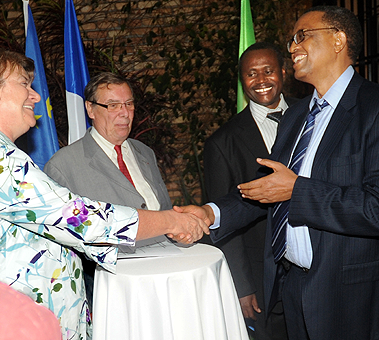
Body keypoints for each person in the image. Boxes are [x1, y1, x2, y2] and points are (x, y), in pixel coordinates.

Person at [0, 45, 209, 340]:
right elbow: (80, 219)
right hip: (19, 323)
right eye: (24, 84)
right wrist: (171, 221)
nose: (36, 95)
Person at [177, 6, 379, 340]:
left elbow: (374, 208)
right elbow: (268, 189)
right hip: (291, 288)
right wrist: (209, 213)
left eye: (303, 36)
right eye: (291, 39)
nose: (292, 47)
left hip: (352, 297)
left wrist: (297, 190)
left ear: (338, 39)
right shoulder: (297, 115)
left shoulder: (372, 108)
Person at [44, 72, 173, 307]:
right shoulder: (63, 165)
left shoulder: (145, 153)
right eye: (113, 105)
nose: (124, 113)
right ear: (90, 109)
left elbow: (163, 210)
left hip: (166, 280)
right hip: (113, 292)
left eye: (129, 104)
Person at [203, 42, 291, 340]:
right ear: (242, 81)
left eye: (268, 70)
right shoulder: (222, 143)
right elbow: (225, 219)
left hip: (319, 266)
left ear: (283, 71)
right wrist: (242, 287)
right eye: (251, 74)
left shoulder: (310, 119)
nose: (261, 80)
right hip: (263, 276)